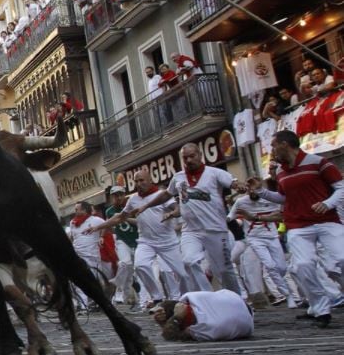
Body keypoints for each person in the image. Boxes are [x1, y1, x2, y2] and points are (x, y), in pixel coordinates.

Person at [251, 130, 344, 328]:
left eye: (274, 146)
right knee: (303, 265)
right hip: (298, 225)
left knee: (341, 259)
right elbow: (284, 198)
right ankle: (321, 309)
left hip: (327, 220)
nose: (272, 150)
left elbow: (341, 187)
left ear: (285, 144)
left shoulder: (318, 162)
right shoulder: (281, 172)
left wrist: (327, 204)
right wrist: (261, 191)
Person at [131, 143, 242, 294]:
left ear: (200, 155)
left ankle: (237, 300)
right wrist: (146, 206)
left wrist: (239, 185)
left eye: (192, 156)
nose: (189, 160)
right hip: (191, 230)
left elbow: (233, 182)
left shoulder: (214, 173)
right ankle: (206, 297)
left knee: (223, 270)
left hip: (215, 229)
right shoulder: (178, 177)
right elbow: (166, 195)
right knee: (188, 262)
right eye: (185, 158)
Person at [87, 171, 192, 310]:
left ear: (150, 180)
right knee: (140, 266)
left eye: (141, 180)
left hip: (167, 242)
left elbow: (177, 209)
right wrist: (98, 227)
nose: (138, 184)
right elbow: (119, 217)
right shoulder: (133, 199)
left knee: (182, 273)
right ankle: (156, 297)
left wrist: (172, 213)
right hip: (145, 241)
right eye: (136, 181)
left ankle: (184, 299)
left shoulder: (162, 194)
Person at [227, 180, 296, 308]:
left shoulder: (270, 200)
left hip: (272, 237)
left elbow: (281, 216)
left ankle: (287, 291)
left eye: (255, 188)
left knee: (281, 268)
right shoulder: (241, 202)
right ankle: (288, 295)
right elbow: (229, 217)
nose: (252, 191)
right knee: (269, 265)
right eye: (250, 188)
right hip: (254, 239)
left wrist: (257, 217)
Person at [152, 290, 254, 341]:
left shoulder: (206, 327)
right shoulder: (192, 297)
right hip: (236, 302)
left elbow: (170, 336)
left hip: (241, 312)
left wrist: (175, 319)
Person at [67, 201, 106, 311]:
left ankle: (100, 302)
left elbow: (105, 225)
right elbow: (73, 236)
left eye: (77, 209)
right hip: (77, 254)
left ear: (84, 210)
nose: (75, 211)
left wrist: (101, 237)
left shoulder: (96, 220)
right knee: (79, 279)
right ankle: (84, 305)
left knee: (95, 280)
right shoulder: (72, 222)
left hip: (92, 255)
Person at [104, 186, 139, 306]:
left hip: (136, 240)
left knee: (130, 272)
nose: (118, 197)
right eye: (115, 195)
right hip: (121, 240)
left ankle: (126, 297)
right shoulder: (109, 211)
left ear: (124, 195)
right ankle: (118, 290)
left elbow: (139, 222)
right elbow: (109, 225)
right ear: (111, 197)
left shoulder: (132, 206)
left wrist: (125, 218)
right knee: (125, 263)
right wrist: (102, 237)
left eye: (120, 194)